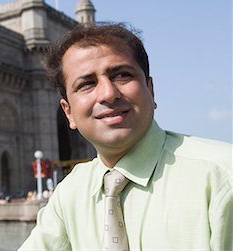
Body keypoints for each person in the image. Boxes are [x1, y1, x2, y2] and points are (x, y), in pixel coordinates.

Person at [19, 23, 232, 250]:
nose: (108, 94)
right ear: (69, 112)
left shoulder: (222, 177)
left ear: (150, 91)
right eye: (87, 84)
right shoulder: (71, 193)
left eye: (122, 75)